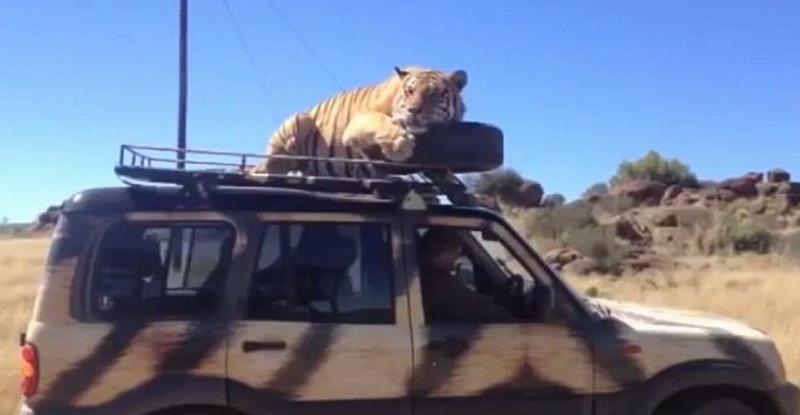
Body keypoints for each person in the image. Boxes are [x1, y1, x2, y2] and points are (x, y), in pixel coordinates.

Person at [417, 228, 515, 323]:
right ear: (442, 253)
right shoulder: (444, 285)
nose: (459, 251)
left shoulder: (425, 279)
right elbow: (481, 308)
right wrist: (506, 315)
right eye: (455, 247)